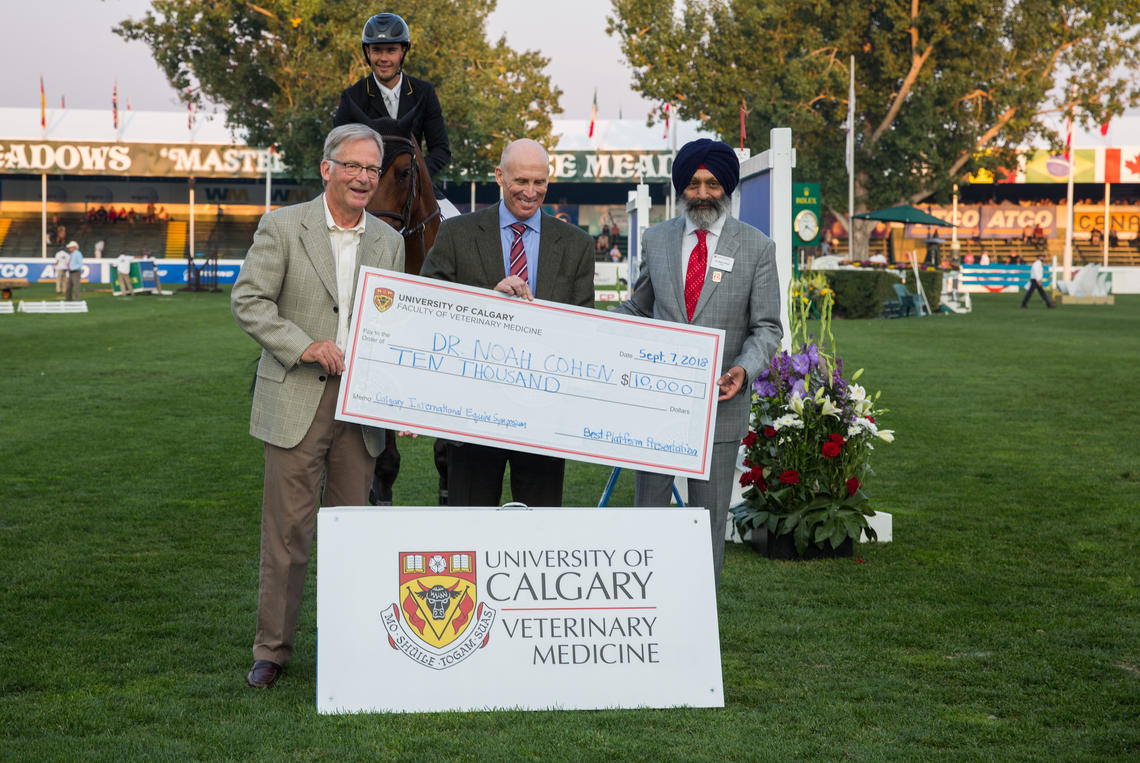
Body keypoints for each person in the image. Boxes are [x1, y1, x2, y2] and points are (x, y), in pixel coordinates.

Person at [231, 123, 406, 689]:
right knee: (287, 533)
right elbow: (249, 301)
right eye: (352, 166)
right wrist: (304, 346)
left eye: (371, 170)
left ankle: (349, 644)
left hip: (362, 413)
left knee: (353, 532)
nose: (362, 178)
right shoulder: (283, 225)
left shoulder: (389, 240)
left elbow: (398, 320)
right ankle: (272, 651)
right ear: (327, 167)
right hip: (296, 398)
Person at [615, 138, 782, 588]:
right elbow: (639, 308)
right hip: (658, 407)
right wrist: (587, 322)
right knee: (647, 517)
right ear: (680, 188)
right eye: (693, 184)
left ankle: (699, 619)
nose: (703, 193)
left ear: (726, 187)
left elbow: (767, 328)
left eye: (711, 183)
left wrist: (743, 369)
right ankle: (645, 607)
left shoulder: (757, 247)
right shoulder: (657, 238)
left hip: (720, 407)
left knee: (707, 526)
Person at [420, 138, 593, 507]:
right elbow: (426, 308)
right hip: (472, 413)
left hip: (544, 417)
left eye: (539, 182)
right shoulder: (457, 233)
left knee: (541, 527)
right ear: (500, 176)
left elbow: (584, 328)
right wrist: (488, 299)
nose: (531, 192)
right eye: (521, 181)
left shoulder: (577, 245)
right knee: (470, 524)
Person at [333, 13, 451, 179]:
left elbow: (441, 149)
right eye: (377, 50)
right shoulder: (351, 97)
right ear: (367, 51)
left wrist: (413, 176)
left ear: (403, 51)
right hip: (365, 187)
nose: (383, 58)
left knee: (448, 207)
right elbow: (338, 151)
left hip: (414, 184)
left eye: (391, 50)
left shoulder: (424, 92)